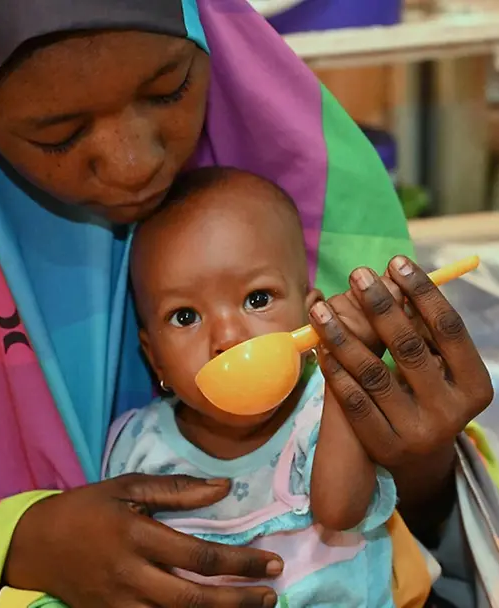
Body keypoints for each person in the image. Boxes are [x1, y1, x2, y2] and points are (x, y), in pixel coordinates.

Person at [0, 0, 499, 607]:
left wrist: (423, 464)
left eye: (169, 89)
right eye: (57, 132)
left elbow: (408, 535)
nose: (136, 163)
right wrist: (20, 540)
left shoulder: (299, 199)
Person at [107, 166, 423, 607]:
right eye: (185, 317)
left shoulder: (325, 408)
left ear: (312, 317)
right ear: (153, 355)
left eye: (257, 299)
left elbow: (341, 511)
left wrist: (344, 364)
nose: (228, 337)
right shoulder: (138, 445)